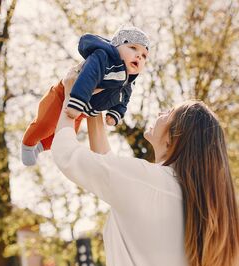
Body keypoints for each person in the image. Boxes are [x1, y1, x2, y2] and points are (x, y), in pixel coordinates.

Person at [51, 66, 239, 266]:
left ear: (175, 137)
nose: (160, 113)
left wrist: (71, 95)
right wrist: (94, 110)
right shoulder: (186, 197)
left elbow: (66, 154)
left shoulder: (149, 182)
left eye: (168, 113)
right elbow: (109, 168)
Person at [21, 26, 150, 166]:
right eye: (133, 48)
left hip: (82, 111)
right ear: (116, 46)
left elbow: (124, 99)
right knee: (45, 124)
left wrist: (115, 113)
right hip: (64, 97)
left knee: (64, 135)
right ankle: (28, 144)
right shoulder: (103, 58)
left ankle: (40, 146)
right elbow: (88, 77)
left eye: (144, 56)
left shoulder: (129, 82)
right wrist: (76, 100)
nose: (139, 56)